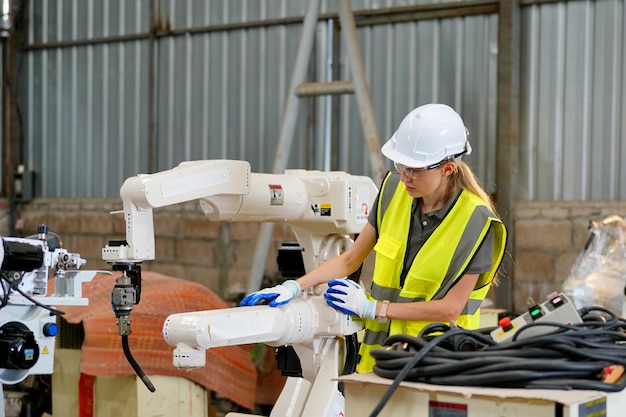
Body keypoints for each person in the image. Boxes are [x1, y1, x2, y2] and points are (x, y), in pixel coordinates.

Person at [241, 103, 508, 373]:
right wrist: (293, 288)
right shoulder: (393, 191)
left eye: (414, 169)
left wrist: (374, 309)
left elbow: (450, 309)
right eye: (401, 165)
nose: (405, 176)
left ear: (447, 169)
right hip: (382, 356)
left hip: (439, 361)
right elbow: (349, 260)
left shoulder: (478, 222)